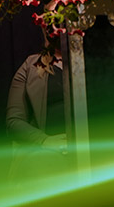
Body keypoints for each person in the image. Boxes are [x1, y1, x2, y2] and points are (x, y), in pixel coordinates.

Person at [6, 48, 72, 179]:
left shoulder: (96, 60)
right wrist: (43, 140)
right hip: (47, 154)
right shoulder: (31, 65)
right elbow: (14, 121)